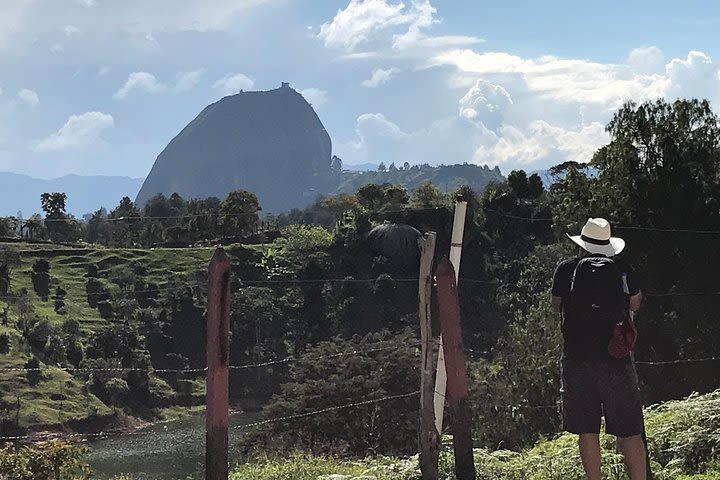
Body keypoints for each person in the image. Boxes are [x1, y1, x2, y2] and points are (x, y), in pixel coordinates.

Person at [551, 217, 646, 480]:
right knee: (629, 429)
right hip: (616, 357)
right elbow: (635, 303)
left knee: (587, 429)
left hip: (577, 358)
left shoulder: (566, 269)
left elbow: (556, 304)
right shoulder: (622, 268)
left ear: (581, 244)